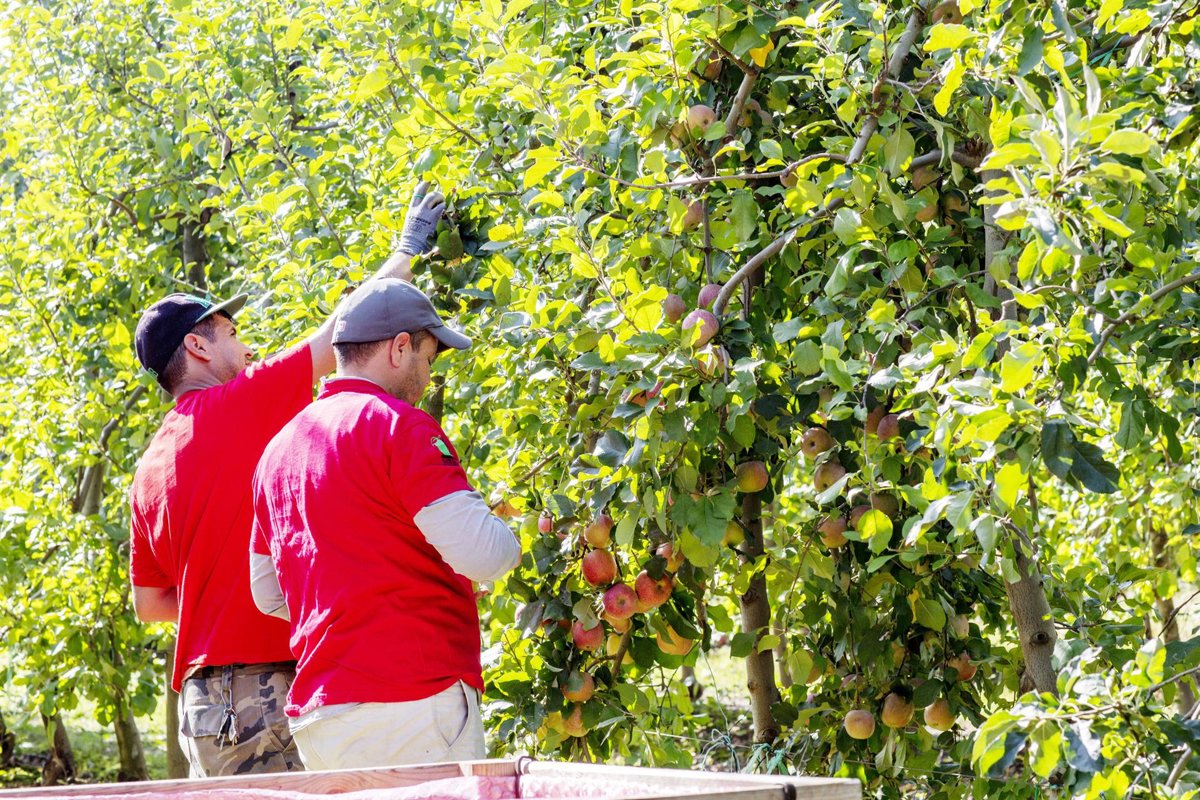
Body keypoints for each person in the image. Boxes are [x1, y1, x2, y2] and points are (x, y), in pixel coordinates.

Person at [128, 183, 446, 777]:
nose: (245, 348)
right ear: (197, 345)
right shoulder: (241, 404)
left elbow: (150, 604)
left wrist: (214, 596)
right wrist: (407, 249)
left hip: (199, 706)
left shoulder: (147, 469)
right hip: (265, 690)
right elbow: (345, 335)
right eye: (231, 332)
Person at [248, 278, 522, 771]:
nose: (429, 376)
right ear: (400, 347)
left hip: (322, 716)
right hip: (412, 702)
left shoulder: (278, 450)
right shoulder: (400, 426)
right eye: (429, 358)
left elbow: (268, 593)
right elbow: (488, 555)